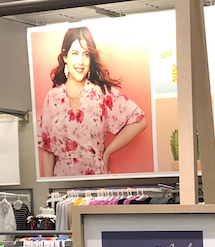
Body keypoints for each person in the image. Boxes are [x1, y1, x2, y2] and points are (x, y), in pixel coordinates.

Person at [37, 26, 147, 177]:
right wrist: (49, 192)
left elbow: (140, 121)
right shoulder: (52, 97)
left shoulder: (101, 93)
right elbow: (48, 151)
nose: (80, 61)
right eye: (75, 54)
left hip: (96, 178)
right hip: (62, 182)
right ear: (65, 57)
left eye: (86, 54)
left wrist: (107, 152)